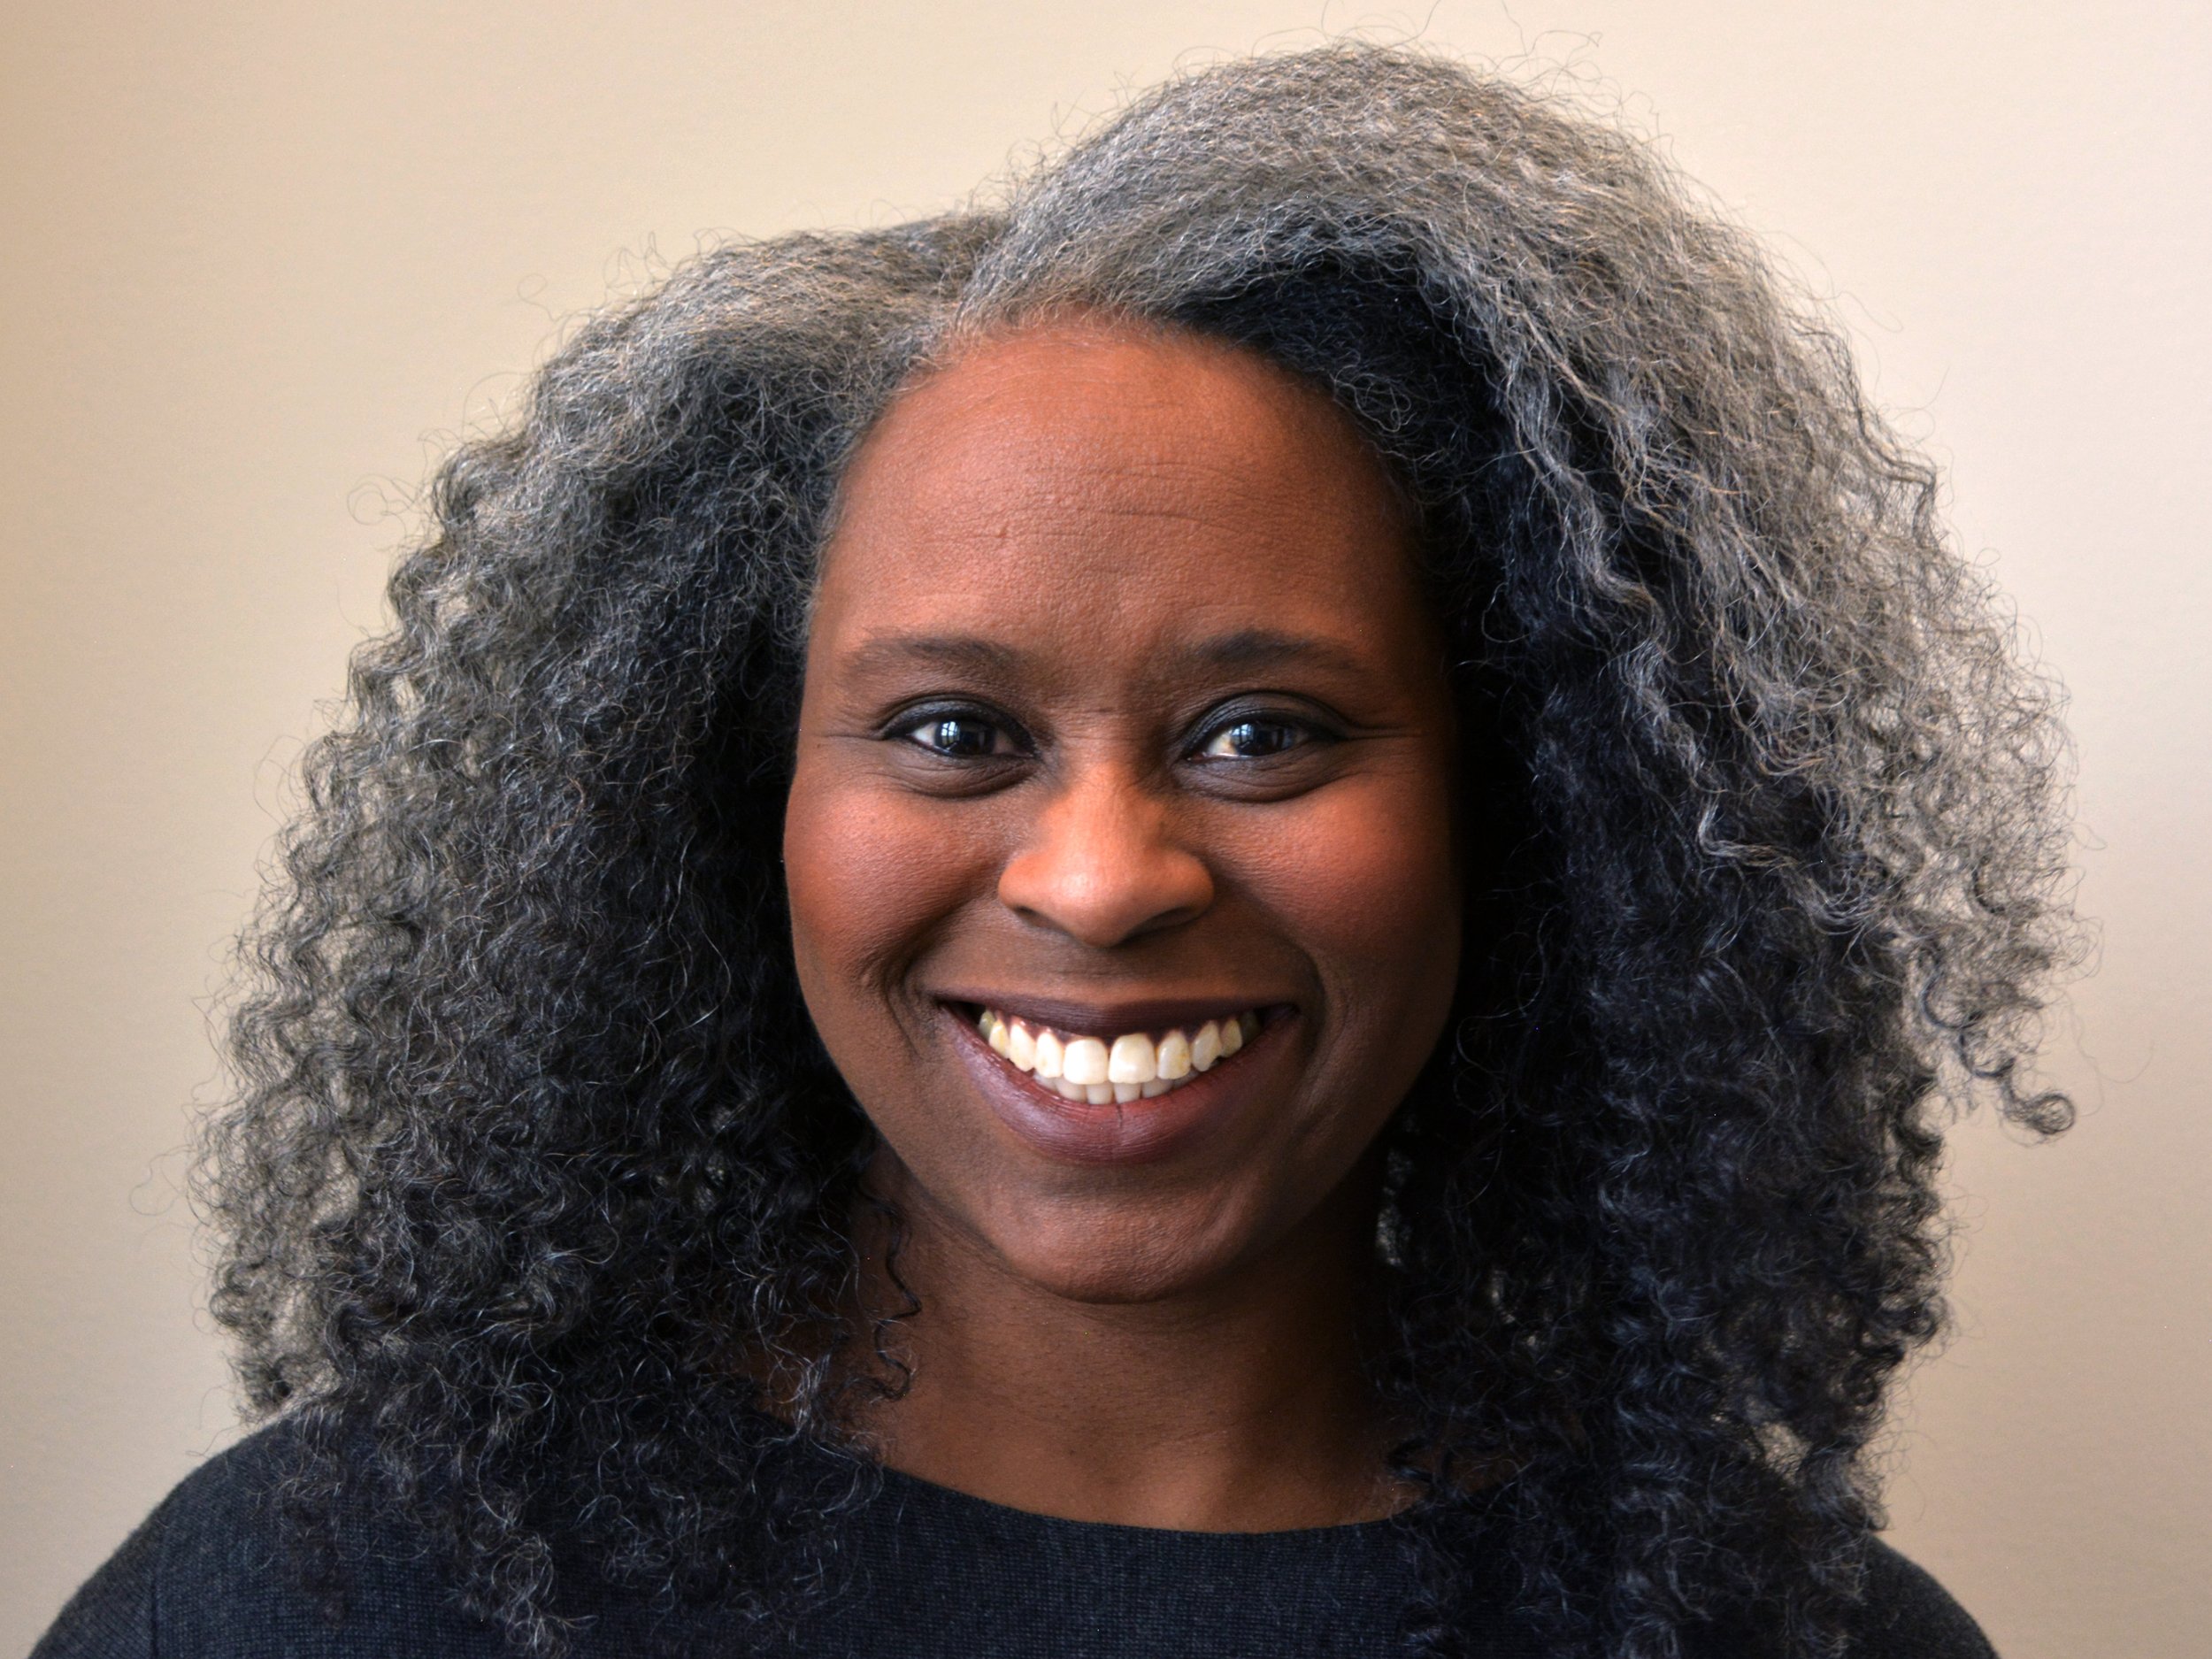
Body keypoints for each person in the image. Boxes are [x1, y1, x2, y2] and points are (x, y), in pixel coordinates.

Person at [34, 43, 2075, 1659]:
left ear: (1519, 805)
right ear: (731, 801)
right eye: (950, 731)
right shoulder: (335, 1601)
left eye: (1262, 731)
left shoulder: (1769, 1635)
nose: (1097, 877)